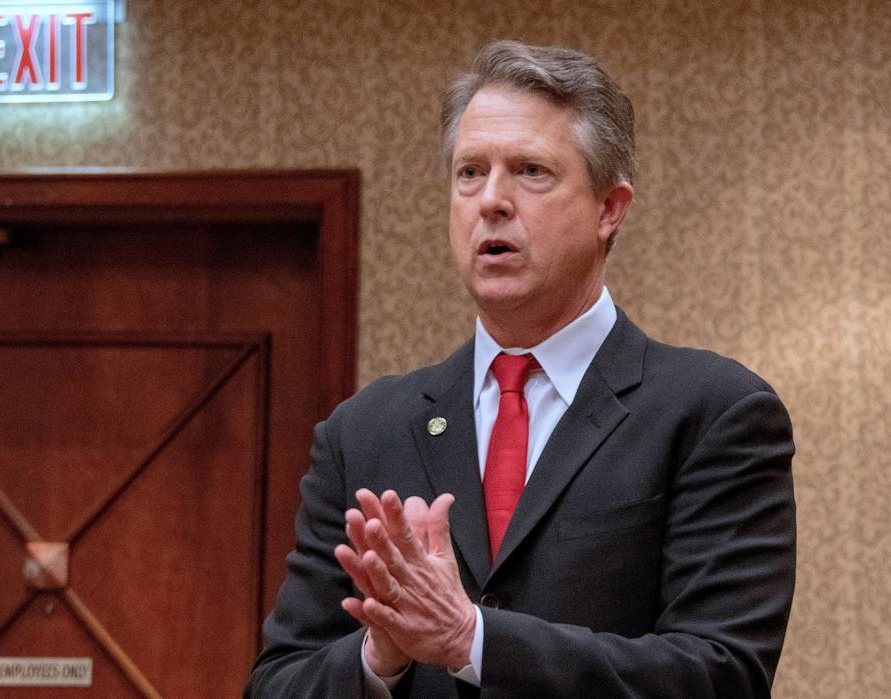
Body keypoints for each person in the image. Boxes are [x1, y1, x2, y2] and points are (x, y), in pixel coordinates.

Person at [246, 39, 796, 698]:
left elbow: (721, 674)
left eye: (531, 170)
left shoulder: (713, 411)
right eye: (469, 172)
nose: (491, 201)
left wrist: (472, 640)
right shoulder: (364, 431)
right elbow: (276, 683)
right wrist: (380, 651)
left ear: (609, 208)